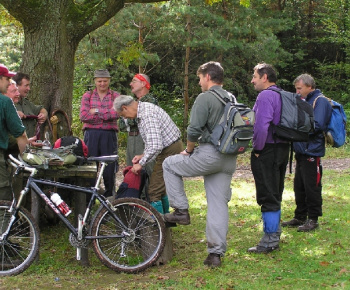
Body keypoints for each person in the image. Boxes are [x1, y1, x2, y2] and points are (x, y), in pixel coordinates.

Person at [162, 61, 237, 268]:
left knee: (169, 164)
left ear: (207, 77)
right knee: (218, 205)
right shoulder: (231, 97)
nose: (198, 82)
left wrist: (188, 150)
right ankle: (215, 255)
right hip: (229, 158)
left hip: (210, 154)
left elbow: (194, 129)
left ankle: (180, 211)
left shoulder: (206, 97)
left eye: (199, 78)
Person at [113, 95, 182, 214]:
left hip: (170, 150)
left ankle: (158, 226)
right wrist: (142, 155)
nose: (124, 118)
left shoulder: (146, 115)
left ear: (125, 108)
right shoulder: (143, 110)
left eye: (122, 115)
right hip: (167, 149)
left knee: (154, 190)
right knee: (160, 187)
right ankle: (166, 221)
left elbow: (156, 145)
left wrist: (141, 164)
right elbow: (154, 142)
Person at [247, 63, 290, 254]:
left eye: (255, 76)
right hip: (283, 148)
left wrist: (257, 149)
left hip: (268, 150)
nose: (252, 80)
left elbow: (261, 126)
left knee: (267, 193)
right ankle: (276, 231)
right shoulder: (282, 94)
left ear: (265, 77)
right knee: (276, 190)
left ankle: (270, 240)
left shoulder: (265, 95)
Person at [281, 74, 332, 232]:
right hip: (301, 150)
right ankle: (300, 216)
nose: (297, 91)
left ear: (309, 87)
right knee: (299, 186)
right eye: (296, 88)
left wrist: (295, 130)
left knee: (312, 186)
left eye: (299, 88)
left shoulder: (320, 101)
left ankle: (313, 219)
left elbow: (317, 125)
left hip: (312, 151)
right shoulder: (304, 101)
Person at [80, 69, 120, 197]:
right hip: (91, 135)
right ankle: (89, 199)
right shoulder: (88, 95)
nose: (102, 84)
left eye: (105, 81)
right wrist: (106, 112)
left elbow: (116, 114)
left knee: (109, 169)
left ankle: (109, 200)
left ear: (109, 81)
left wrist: (96, 111)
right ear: (95, 81)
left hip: (109, 135)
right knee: (90, 167)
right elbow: (84, 116)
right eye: (99, 81)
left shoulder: (116, 96)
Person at [0, 64, 29, 200]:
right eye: (7, 79)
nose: (9, 83)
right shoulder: (5, 102)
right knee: (3, 202)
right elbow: (20, 134)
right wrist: (27, 160)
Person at [119, 74, 158, 172]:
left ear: (143, 83)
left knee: (146, 172)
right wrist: (131, 119)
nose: (130, 84)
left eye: (134, 81)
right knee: (131, 171)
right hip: (131, 139)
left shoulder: (151, 101)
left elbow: (138, 119)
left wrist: (128, 118)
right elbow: (121, 125)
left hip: (144, 140)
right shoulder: (133, 103)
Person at [13, 73, 48, 139]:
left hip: (30, 146)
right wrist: (13, 115)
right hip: (14, 147)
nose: (29, 88)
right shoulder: (6, 104)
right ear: (16, 86)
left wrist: (43, 114)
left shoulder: (26, 103)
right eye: (26, 85)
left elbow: (41, 109)